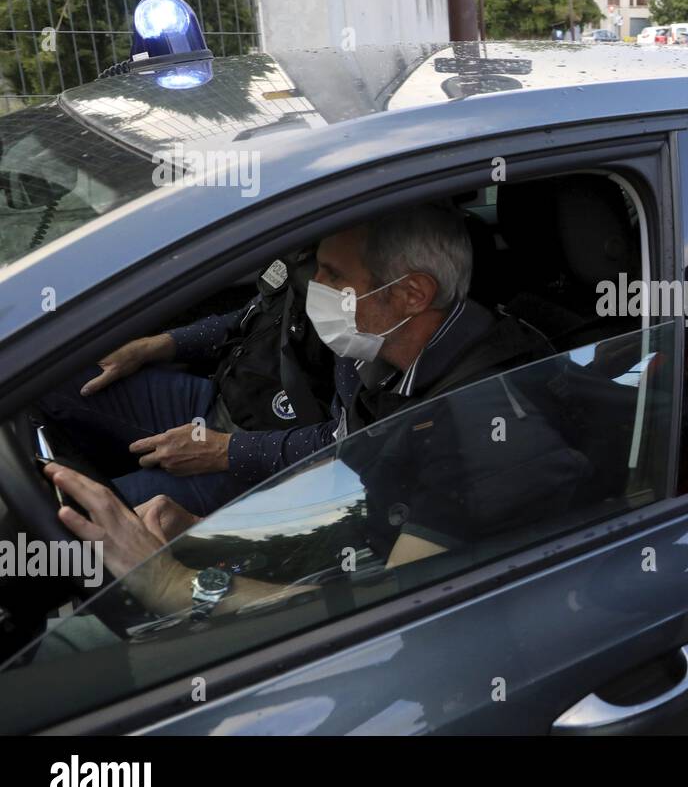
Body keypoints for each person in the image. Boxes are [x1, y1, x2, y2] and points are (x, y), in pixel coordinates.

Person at [47, 202, 585, 618]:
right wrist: (209, 533)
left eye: (332, 276)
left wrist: (169, 581)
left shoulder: (482, 434)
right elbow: (355, 489)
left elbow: (390, 613)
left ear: (411, 294)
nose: (314, 290)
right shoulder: (374, 356)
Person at [37, 249, 334, 517]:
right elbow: (245, 319)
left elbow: (343, 440)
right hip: (211, 401)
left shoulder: (358, 305)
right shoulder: (302, 250)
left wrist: (223, 450)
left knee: (76, 513)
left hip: (260, 466)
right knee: (51, 375)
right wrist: (149, 347)